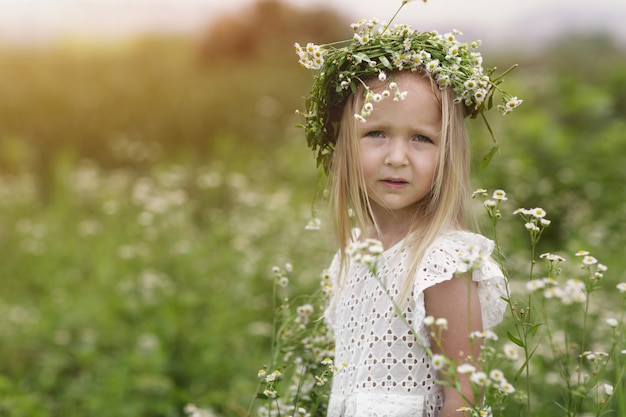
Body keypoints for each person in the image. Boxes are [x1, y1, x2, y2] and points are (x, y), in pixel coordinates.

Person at [294, 3, 520, 416]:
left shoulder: (443, 263)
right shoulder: (352, 256)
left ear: (447, 152)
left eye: (421, 138)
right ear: (344, 142)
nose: (397, 157)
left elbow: (463, 398)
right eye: (376, 133)